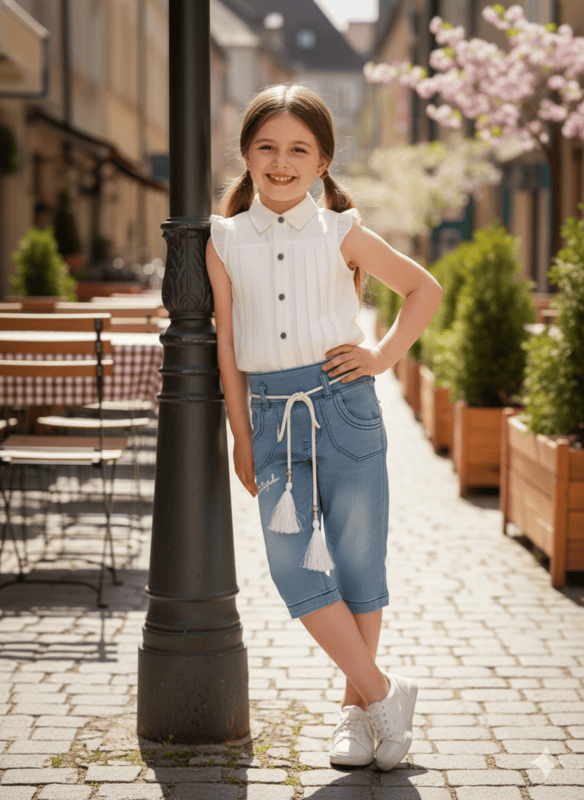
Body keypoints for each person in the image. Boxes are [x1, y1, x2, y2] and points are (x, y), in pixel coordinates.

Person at [206, 84, 442, 772]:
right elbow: (226, 346)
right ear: (247, 154)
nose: (282, 162)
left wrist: (381, 357)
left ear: (323, 161)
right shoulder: (222, 240)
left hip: (346, 410)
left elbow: (423, 289)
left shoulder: (344, 231)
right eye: (267, 148)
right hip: (273, 421)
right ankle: (382, 692)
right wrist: (240, 437)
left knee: (360, 567)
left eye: (298, 150)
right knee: (293, 570)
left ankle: (355, 717)